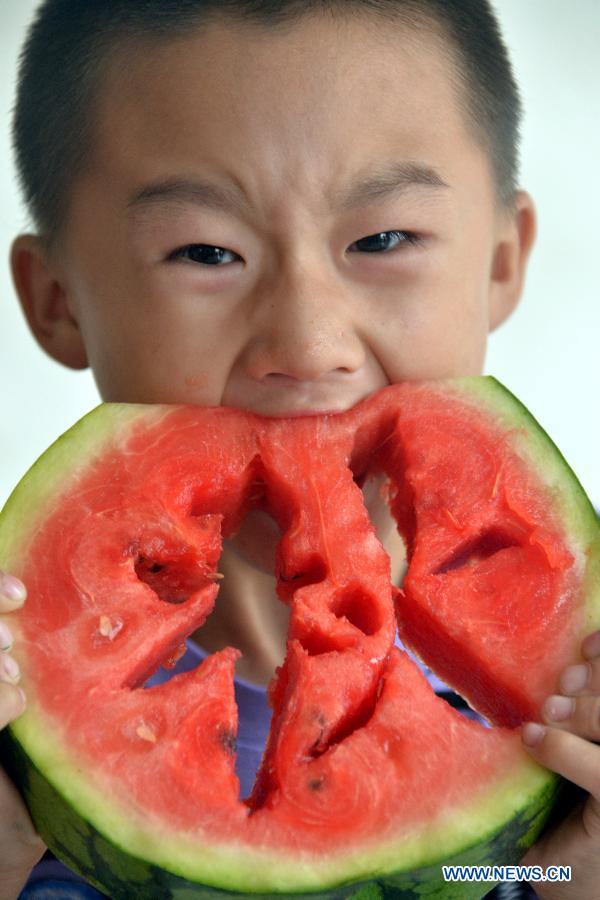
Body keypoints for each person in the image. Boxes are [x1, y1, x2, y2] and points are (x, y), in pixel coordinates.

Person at [0, 1, 599, 897]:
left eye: (385, 238)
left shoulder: (569, 712)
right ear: (57, 302)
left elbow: (494, 871)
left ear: (502, 262)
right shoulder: (18, 723)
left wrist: (564, 879)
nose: (311, 344)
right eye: (205, 252)